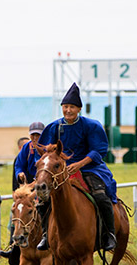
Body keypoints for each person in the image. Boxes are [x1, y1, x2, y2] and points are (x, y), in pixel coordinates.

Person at [36, 83, 118, 251]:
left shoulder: (91, 126)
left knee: (101, 196)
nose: (68, 110)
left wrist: (79, 164)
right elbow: (45, 150)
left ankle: (109, 234)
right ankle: (45, 234)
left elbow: (99, 150)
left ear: (79, 109)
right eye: (65, 107)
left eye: (72, 107)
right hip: (60, 170)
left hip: (89, 168)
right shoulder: (54, 127)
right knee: (42, 199)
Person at [0, 124, 44, 258]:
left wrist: (37, 182)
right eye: (33, 135)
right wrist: (20, 174)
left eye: (38, 135)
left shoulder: (48, 148)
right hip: (28, 189)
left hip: (44, 186)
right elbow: (19, 165)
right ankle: (14, 247)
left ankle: (50, 239)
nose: (35, 137)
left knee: (48, 210)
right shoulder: (27, 148)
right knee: (16, 213)